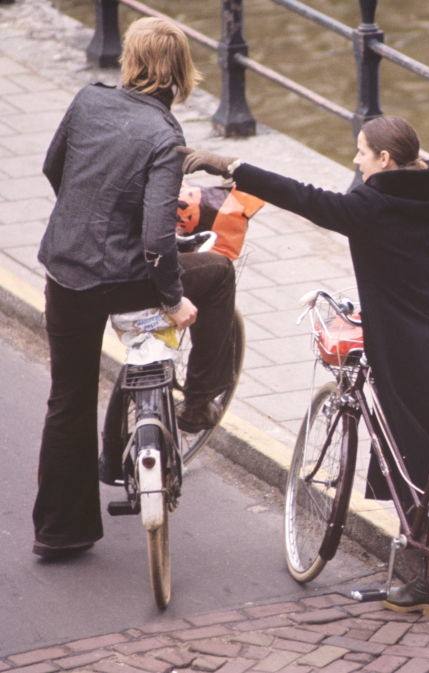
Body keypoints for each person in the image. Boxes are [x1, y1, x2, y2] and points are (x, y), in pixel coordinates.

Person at [181, 115, 429, 612]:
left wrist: (232, 165)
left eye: (361, 153)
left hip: (401, 350)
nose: (355, 162)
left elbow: (303, 196)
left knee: (413, 467)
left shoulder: (371, 205)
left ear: (384, 160)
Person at [33, 17, 237, 560]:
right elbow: (154, 239)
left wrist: (84, 217)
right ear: (180, 71)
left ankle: (60, 531)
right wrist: (173, 301)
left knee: (67, 398)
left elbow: (54, 170)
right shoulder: (163, 135)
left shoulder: (86, 101)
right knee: (216, 275)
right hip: (126, 281)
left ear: (129, 60)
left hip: (66, 271)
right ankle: (197, 403)